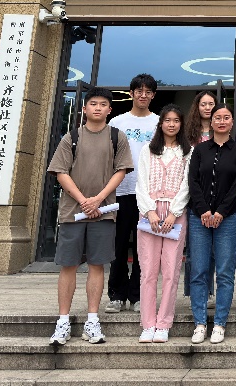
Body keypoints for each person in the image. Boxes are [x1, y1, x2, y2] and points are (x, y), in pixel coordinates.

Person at [47, 87, 134, 346]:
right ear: (84, 109)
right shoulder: (71, 137)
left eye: (103, 104)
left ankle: (92, 320)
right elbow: (61, 172)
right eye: (93, 103)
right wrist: (84, 201)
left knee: (97, 265)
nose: (98, 108)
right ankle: (63, 321)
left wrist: (98, 199)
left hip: (103, 213)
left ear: (110, 109)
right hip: (72, 212)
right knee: (69, 265)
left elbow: (121, 171)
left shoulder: (117, 137)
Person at [187, 102, 236, 345]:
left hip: (228, 218)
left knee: (225, 273)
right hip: (198, 217)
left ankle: (220, 323)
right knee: (199, 272)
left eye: (226, 118)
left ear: (232, 123)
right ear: (210, 122)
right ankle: (200, 323)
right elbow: (192, 181)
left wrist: (221, 211)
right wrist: (203, 209)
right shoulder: (200, 150)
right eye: (217, 118)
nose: (222, 121)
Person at [135, 103, 191, 343]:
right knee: (148, 271)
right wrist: (149, 211)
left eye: (176, 120)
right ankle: (148, 324)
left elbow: (187, 185)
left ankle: (164, 323)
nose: (171, 124)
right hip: (149, 213)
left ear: (181, 124)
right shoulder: (148, 149)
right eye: (167, 120)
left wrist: (173, 213)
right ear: (160, 124)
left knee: (171, 271)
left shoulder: (187, 152)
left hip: (175, 214)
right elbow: (140, 182)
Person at [106, 74, 159, 314]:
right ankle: (116, 295)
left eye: (148, 92)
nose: (143, 95)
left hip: (147, 195)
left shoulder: (158, 123)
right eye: (139, 91)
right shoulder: (117, 122)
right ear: (131, 93)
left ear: (153, 95)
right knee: (117, 246)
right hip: (120, 192)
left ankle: (138, 295)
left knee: (143, 248)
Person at [183, 89, 217, 303]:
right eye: (203, 104)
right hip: (190, 194)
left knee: (212, 249)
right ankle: (193, 292)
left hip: (214, 194)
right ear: (197, 107)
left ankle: (209, 291)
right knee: (194, 250)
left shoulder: (221, 130)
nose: (207, 108)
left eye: (211, 104)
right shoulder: (188, 133)